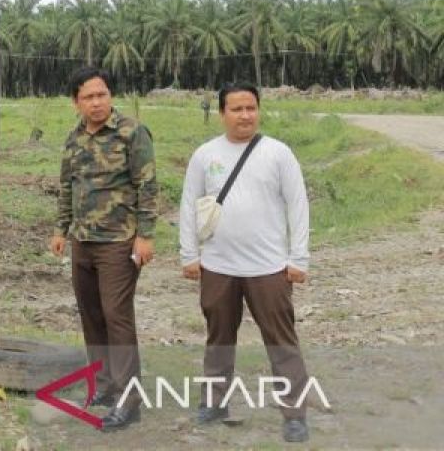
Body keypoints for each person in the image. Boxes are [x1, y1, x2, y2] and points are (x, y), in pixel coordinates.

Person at [179, 83, 312, 444]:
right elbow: (189, 204)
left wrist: (298, 257)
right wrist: (189, 255)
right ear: (222, 113)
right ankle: (214, 402)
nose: (245, 115)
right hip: (218, 266)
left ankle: (294, 414)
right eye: (236, 109)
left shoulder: (278, 153)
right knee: (219, 337)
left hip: (269, 267)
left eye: (251, 108)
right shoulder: (205, 155)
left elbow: (297, 205)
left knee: (281, 341)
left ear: (259, 110)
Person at [49, 66, 156, 432]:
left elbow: (148, 185)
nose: (97, 103)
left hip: (119, 241)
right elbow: (67, 186)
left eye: (102, 94)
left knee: (117, 317)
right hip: (83, 241)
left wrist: (145, 235)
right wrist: (61, 229)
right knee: (92, 316)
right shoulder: (73, 138)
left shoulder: (131, 132)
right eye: (88, 97)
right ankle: (107, 386)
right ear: (75, 102)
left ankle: (130, 399)